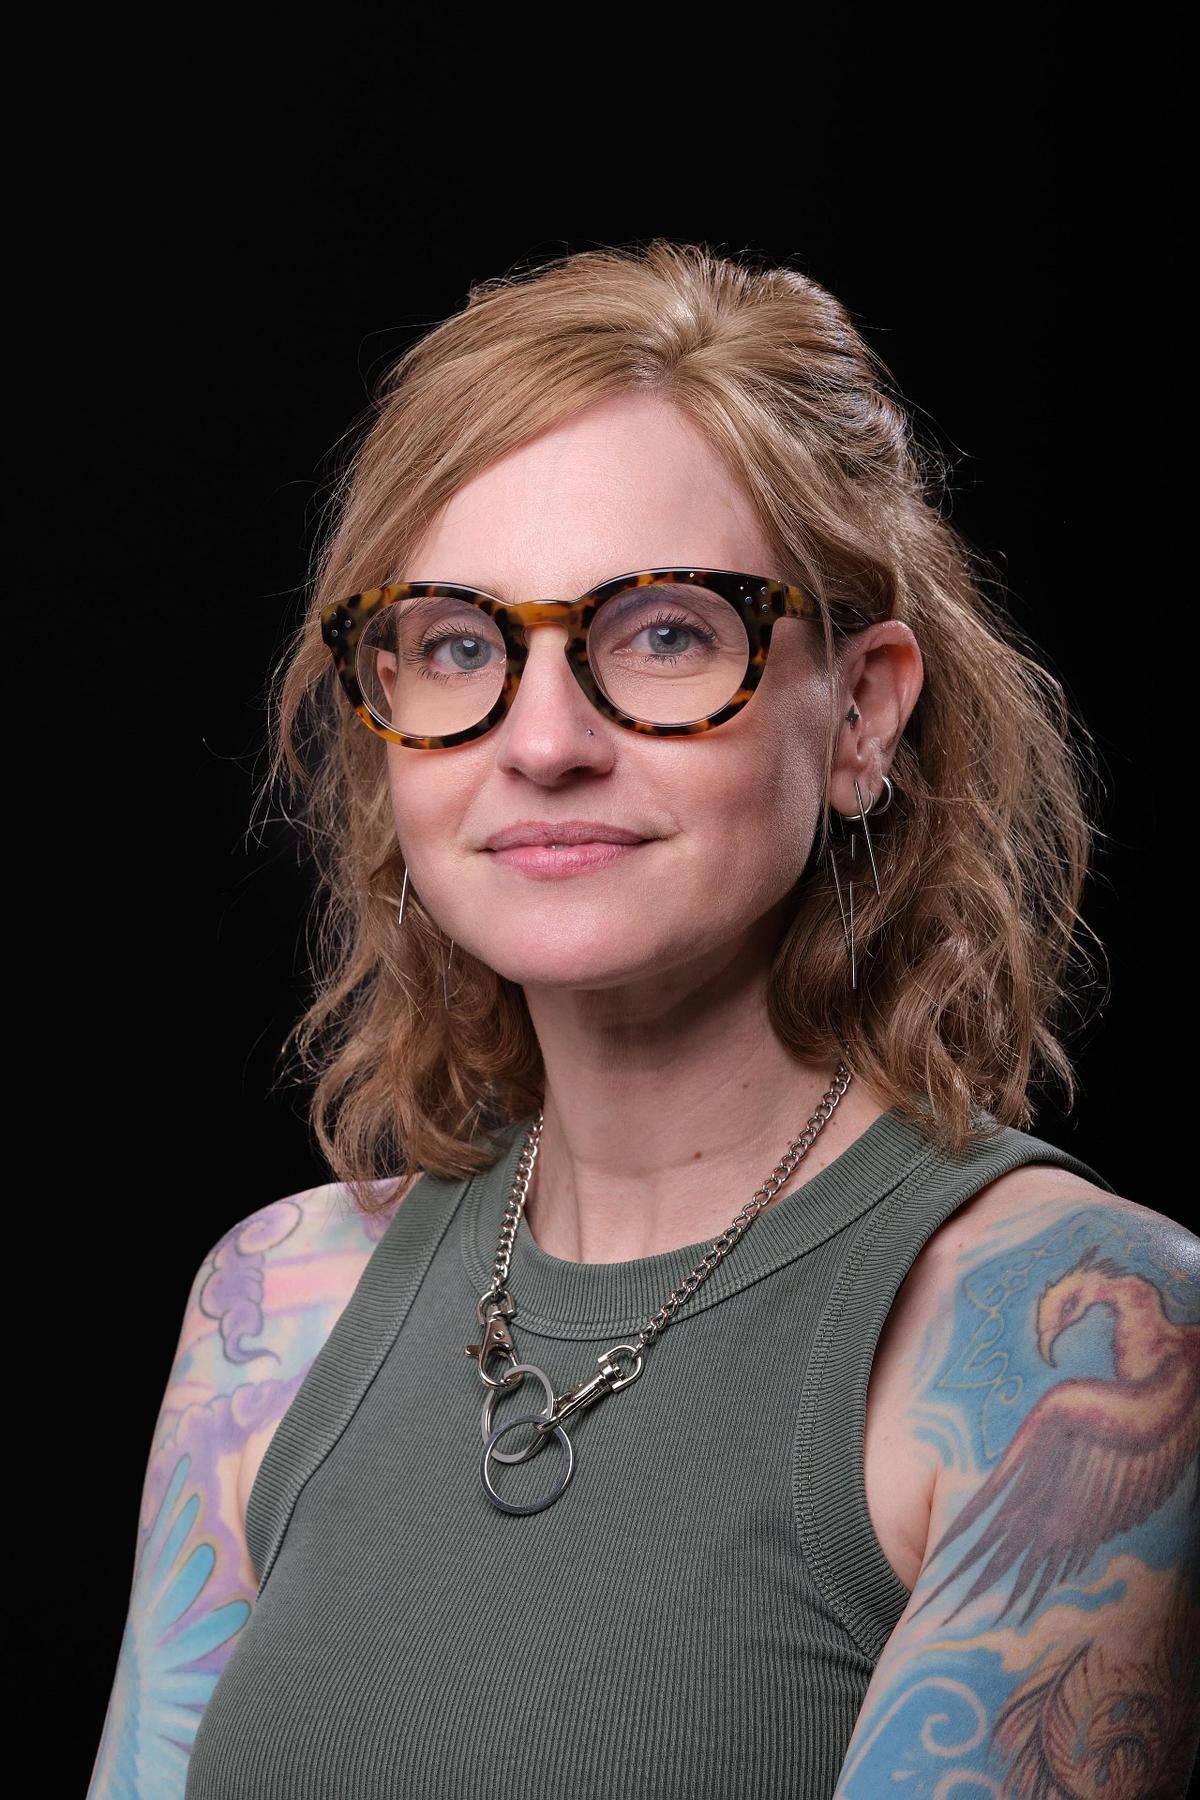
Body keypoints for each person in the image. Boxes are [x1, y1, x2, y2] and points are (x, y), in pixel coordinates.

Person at [90, 241, 1199, 1800]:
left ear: (863, 712)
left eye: (666, 632)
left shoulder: (1069, 1333)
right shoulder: (271, 1308)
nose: (544, 740)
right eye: (460, 645)